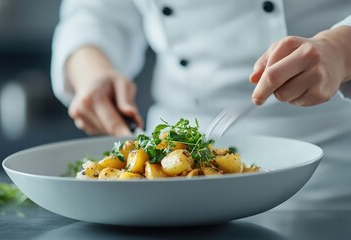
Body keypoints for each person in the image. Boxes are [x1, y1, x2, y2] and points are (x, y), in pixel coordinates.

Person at [51, 0, 351, 210]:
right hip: (162, 197)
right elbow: (94, 13)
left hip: (324, 174)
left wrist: (340, 48)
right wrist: (91, 73)